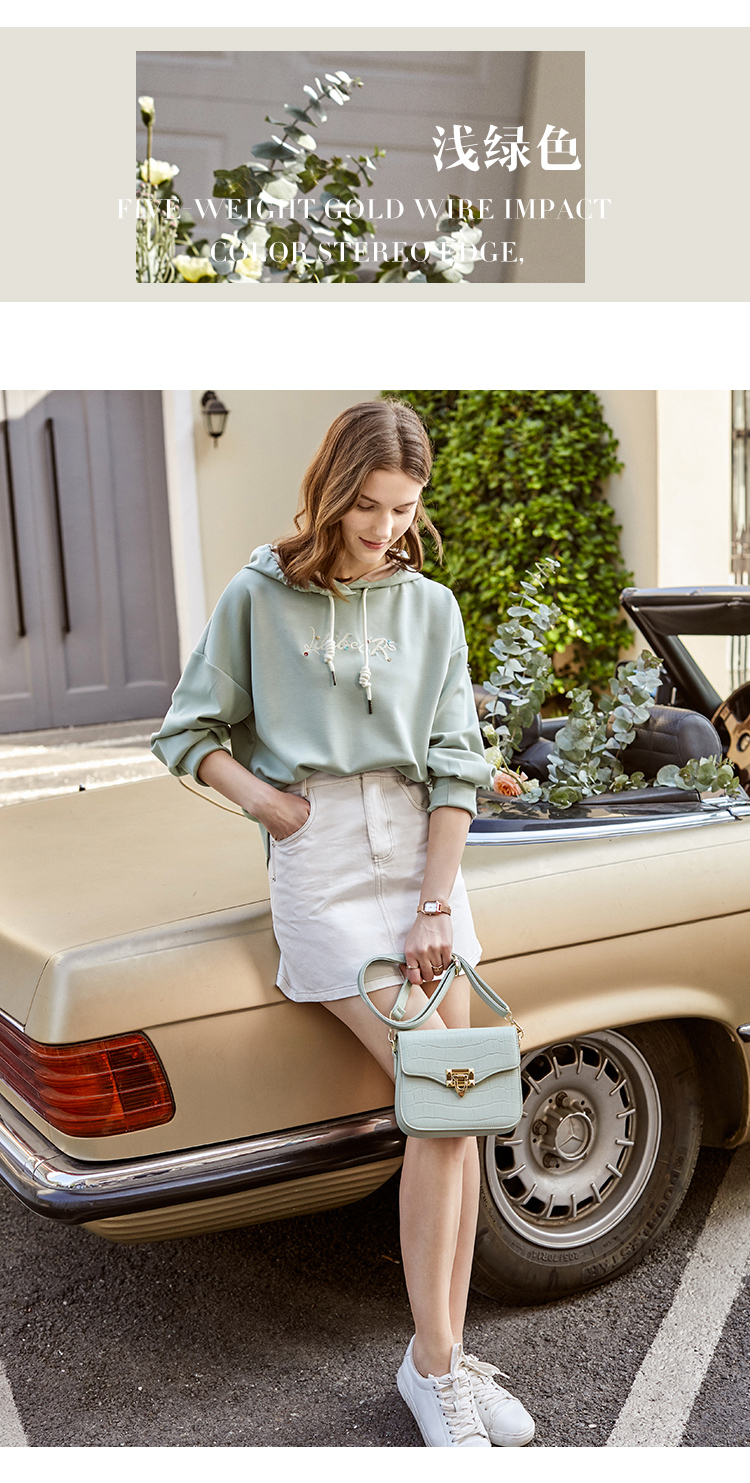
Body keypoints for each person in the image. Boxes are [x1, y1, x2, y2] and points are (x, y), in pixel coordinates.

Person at [151, 398, 535, 1449]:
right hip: (322, 862)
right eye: (368, 504)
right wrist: (269, 804)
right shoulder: (258, 595)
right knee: (441, 1102)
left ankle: (442, 1356)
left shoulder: (431, 606)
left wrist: (433, 903)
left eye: (404, 509)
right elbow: (188, 728)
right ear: (330, 490)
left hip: (425, 857)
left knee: (460, 1106)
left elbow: (454, 761)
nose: (385, 528)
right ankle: (435, 1369)